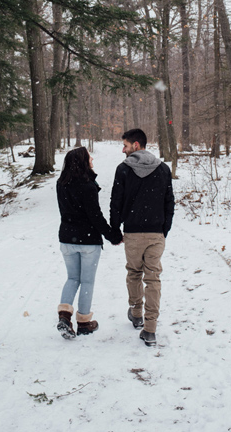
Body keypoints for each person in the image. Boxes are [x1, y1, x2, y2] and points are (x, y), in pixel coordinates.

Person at [109, 128, 175, 347]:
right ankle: (150, 329)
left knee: (134, 273)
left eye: (125, 145)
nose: (123, 149)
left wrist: (115, 229)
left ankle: (136, 313)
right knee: (153, 278)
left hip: (134, 233)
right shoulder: (163, 169)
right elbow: (169, 202)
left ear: (136, 145)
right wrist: (164, 228)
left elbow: (115, 201)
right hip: (156, 233)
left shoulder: (123, 169)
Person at [56, 146, 122, 339]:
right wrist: (112, 235)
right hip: (88, 242)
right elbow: (95, 216)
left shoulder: (61, 183)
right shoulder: (88, 186)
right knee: (86, 281)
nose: (92, 159)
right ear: (83, 162)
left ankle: (64, 317)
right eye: (89, 157)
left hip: (67, 239)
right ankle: (84, 322)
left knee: (71, 278)